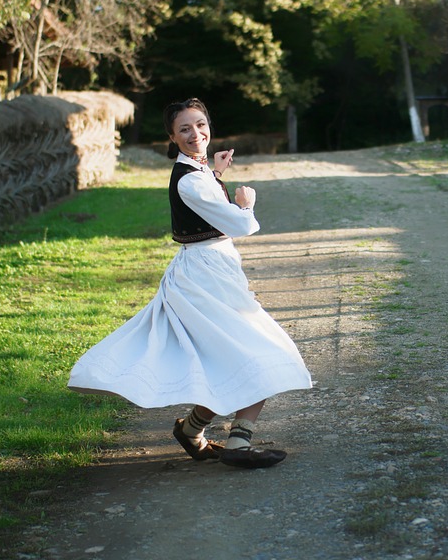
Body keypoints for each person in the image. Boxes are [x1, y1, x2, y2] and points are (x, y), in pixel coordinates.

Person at [68, 97, 312, 469]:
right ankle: (237, 442)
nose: (195, 133)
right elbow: (239, 225)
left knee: (227, 360)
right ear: (172, 136)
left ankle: (193, 430)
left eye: (200, 125)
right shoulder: (190, 182)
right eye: (185, 128)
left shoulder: (197, 174)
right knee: (258, 352)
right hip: (203, 277)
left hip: (212, 271)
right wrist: (246, 203)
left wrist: (216, 174)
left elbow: (206, 202)